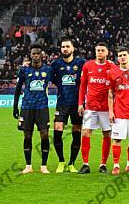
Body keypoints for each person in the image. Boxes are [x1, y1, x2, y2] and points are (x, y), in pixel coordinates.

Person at [77, 42, 118, 174]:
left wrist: (114, 107)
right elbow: (83, 85)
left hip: (106, 107)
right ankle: (85, 164)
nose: (100, 52)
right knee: (85, 132)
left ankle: (103, 164)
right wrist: (80, 103)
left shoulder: (112, 66)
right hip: (91, 106)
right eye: (98, 50)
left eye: (102, 50)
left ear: (107, 52)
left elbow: (117, 85)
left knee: (107, 134)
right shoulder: (88, 66)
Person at [13, 44, 53, 174]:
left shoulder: (48, 70)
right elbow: (18, 88)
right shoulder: (24, 70)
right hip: (27, 107)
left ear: (42, 55)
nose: (35, 56)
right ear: (30, 55)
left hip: (42, 107)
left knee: (44, 134)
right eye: (33, 53)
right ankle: (28, 166)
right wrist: (15, 107)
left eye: (37, 53)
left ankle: (44, 166)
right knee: (27, 136)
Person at [50, 38, 86, 173]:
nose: (65, 49)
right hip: (62, 103)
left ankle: (71, 163)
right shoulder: (56, 64)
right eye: (63, 47)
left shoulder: (81, 63)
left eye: (67, 46)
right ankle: (61, 161)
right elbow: (52, 78)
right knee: (57, 131)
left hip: (77, 104)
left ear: (72, 48)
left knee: (76, 133)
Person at [108, 48, 129, 175]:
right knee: (117, 139)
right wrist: (110, 111)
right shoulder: (113, 72)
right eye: (120, 55)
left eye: (124, 55)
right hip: (119, 112)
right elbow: (110, 93)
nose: (122, 57)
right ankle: (116, 166)